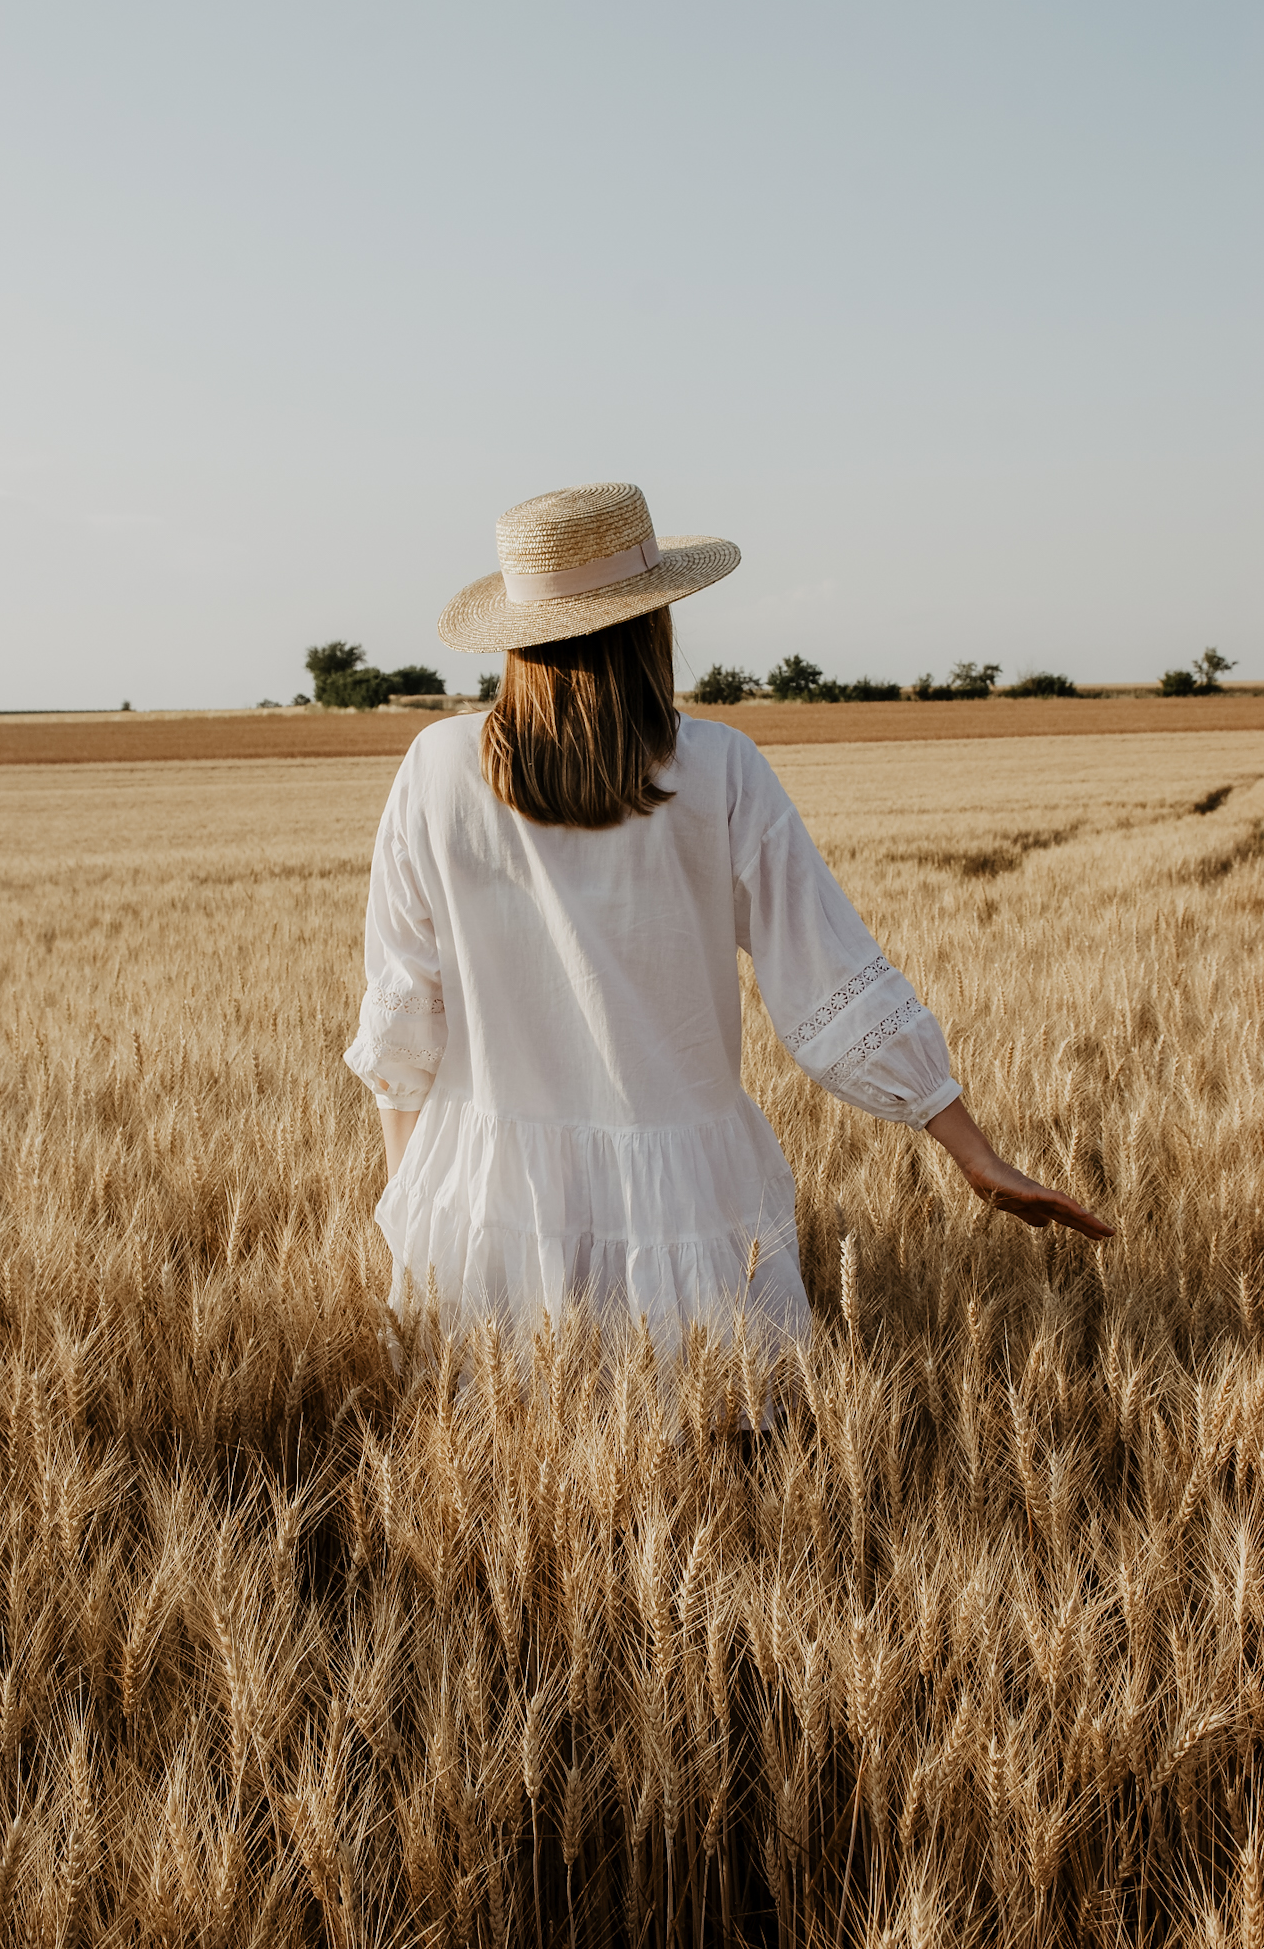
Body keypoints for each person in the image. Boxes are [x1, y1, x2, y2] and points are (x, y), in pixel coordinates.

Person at [346, 482, 1111, 1339]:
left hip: (487, 1197)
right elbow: (830, 976)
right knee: (711, 1445)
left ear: (517, 636)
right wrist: (972, 1152)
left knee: (508, 1440)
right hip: (684, 1197)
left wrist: (414, 1209)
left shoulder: (436, 763)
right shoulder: (717, 767)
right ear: (652, 621)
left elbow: (405, 1014)